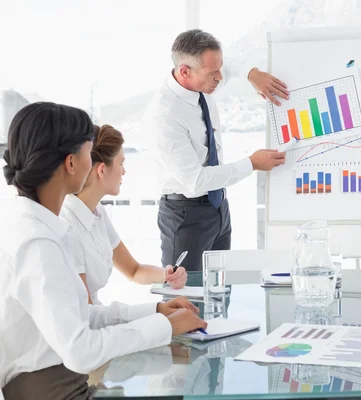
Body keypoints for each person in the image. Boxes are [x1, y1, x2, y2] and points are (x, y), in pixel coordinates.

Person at [0, 102, 207, 400]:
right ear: (71, 163)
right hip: (54, 390)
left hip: (63, 380)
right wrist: (162, 325)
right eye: (87, 150)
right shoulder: (38, 243)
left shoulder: (37, 227)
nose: (92, 160)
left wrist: (156, 311)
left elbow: (82, 315)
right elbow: (80, 350)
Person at [143, 29, 288, 272]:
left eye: (219, 69)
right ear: (184, 72)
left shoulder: (201, 81)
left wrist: (253, 75)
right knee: (187, 299)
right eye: (213, 73)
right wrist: (251, 163)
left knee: (220, 295)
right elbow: (196, 181)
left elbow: (227, 65)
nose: (220, 78)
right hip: (186, 216)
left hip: (218, 209)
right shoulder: (165, 115)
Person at [60, 124, 187, 305]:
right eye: (121, 163)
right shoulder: (67, 225)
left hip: (97, 317)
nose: (124, 171)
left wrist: (167, 275)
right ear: (102, 170)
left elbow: (134, 270)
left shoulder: (97, 213)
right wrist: (156, 314)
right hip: (88, 323)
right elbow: (86, 313)